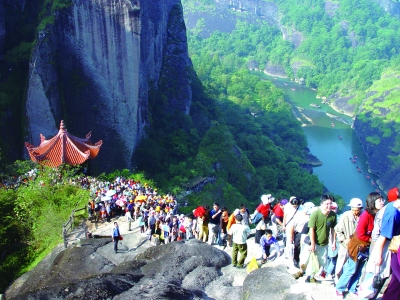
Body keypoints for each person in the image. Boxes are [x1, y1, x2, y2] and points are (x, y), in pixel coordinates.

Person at [335, 192, 384, 298]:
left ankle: (352, 287)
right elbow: (361, 234)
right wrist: (372, 239)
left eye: (382, 200)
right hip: (357, 245)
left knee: (359, 269)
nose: (382, 202)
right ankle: (339, 288)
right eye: (379, 200)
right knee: (351, 269)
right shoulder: (366, 215)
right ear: (373, 202)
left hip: (365, 247)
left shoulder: (376, 214)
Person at [370, 190, 400, 300]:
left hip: (392, 251)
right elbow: (382, 237)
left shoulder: (391, 208)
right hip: (390, 251)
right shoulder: (392, 213)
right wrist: (378, 257)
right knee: (374, 281)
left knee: (394, 284)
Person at [303, 195, 337, 282]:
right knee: (310, 260)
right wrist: (313, 244)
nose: (329, 206)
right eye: (327, 204)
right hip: (313, 241)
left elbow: (333, 230)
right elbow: (311, 229)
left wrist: (333, 242)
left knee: (322, 262)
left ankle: (314, 276)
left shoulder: (333, 215)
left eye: (330, 203)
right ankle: (309, 277)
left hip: (324, 243)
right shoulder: (315, 214)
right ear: (321, 204)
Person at [333, 198, 363, 283]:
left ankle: (348, 282)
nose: (355, 212)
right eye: (353, 210)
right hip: (345, 245)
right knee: (341, 263)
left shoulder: (363, 216)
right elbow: (337, 229)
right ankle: (337, 281)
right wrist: (344, 240)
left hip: (356, 246)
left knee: (352, 266)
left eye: (357, 210)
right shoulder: (346, 215)